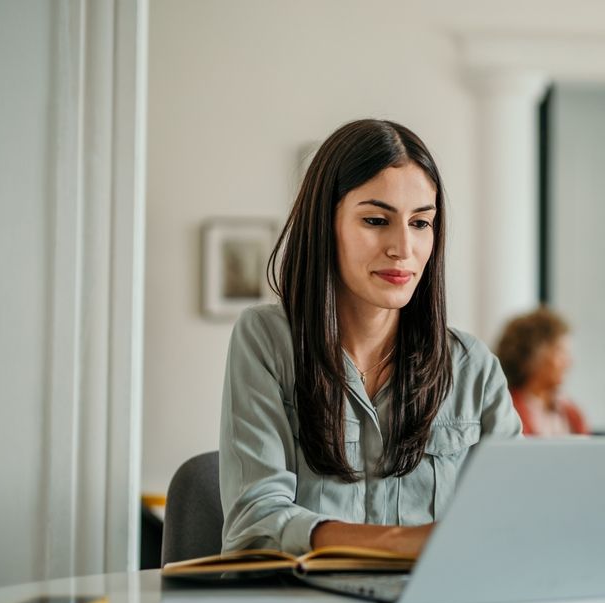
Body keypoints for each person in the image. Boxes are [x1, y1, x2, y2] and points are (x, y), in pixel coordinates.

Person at [219, 119, 521, 558]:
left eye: (421, 223)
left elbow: (517, 521)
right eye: (376, 220)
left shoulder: (472, 366)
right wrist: (405, 543)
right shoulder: (267, 340)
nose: (403, 247)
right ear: (326, 225)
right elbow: (255, 523)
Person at [495, 308, 590, 436]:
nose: (569, 363)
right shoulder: (505, 410)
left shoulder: (572, 414)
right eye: (561, 352)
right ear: (532, 356)